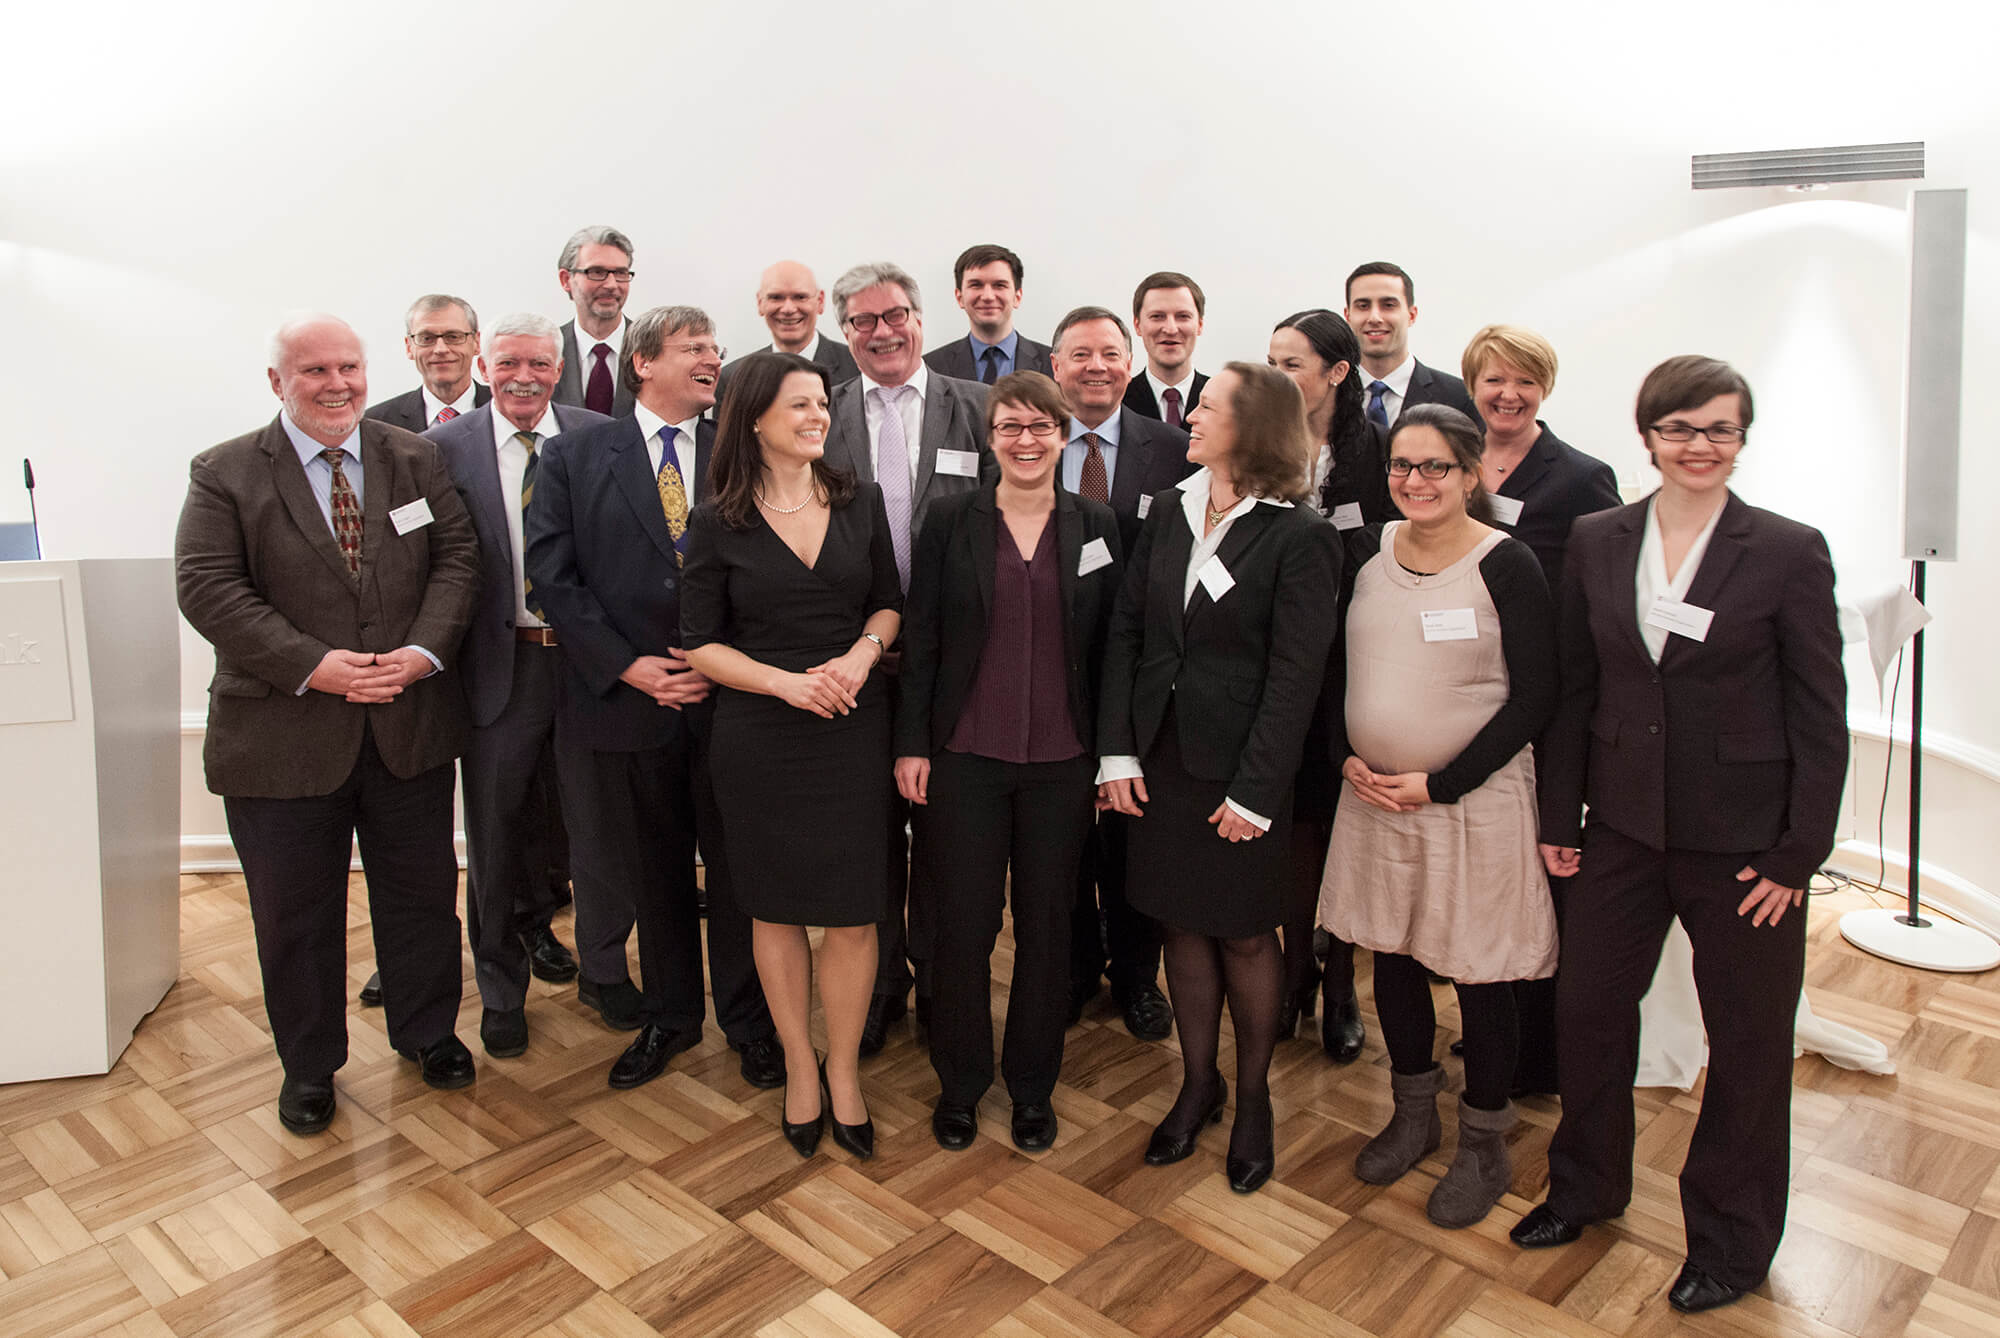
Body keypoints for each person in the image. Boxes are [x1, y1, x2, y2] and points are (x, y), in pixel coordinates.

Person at [1512, 357, 1847, 1316]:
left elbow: (1820, 713)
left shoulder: (1786, 549)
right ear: (1648, 434)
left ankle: (1732, 1242)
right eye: (1680, 428)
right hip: (1621, 827)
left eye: (1719, 429)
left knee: (1746, 1044)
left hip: (1745, 847)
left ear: (1741, 438)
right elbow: (1577, 686)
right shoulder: (1599, 536)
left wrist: (1798, 856)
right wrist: (1561, 815)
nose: (1699, 445)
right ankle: (1584, 1187)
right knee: (1587, 1013)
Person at [175, 314, 480, 1135]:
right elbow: (208, 588)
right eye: (315, 370)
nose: (337, 383)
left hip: (408, 721)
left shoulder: (414, 458)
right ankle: (310, 1066)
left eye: (349, 366)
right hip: (282, 736)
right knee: (295, 916)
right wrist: (315, 665)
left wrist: (422, 653)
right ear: (278, 382)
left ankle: (429, 1032)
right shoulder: (225, 472)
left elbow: (458, 561)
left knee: (422, 897)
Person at [524, 306, 782, 1092]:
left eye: (715, 347)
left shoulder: (744, 451)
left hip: (732, 704)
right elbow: (552, 578)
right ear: (643, 362)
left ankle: (750, 1022)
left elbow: (772, 569)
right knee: (655, 872)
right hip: (629, 704)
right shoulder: (572, 455)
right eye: (694, 347)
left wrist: (731, 663)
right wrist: (630, 667)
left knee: (737, 873)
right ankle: (671, 1017)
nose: (713, 359)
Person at [1098, 362, 1341, 1195]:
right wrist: (1118, 750)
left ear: (1255, 427)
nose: (1191, 417)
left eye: (1208, 407)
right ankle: (1198, 1084)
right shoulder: (1172, 507)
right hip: (1161, 764)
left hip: (1242, 775)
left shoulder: (1300, 535)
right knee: (1180, 926)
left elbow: (1296, 679)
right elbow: (1129, 631)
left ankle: (1255, 1101)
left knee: (1244, 935)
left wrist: (1256, 793)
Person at [1320, 404, 1558, 1228]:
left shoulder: (1507, 564)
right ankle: (1412, 1113)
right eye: (1402, 465)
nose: (1415, 481)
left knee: (1478, 970)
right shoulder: (1367, 550)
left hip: (1470, 804)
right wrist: (1343, 753)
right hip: (1376, 799)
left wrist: (1445, 781)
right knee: (1391, 953)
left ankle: (1484, 1141)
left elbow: (1536, 695)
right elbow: (1338, 668)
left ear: (1472, 474)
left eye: (1435, 467)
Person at [682, 351, 904, 1161]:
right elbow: (699, 642)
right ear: (753, 420)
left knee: (853, 913)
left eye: (820, 404)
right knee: (772, 910)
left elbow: (888, 604)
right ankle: (800, 1069)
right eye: (800, 405)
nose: (818, 417)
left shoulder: (859, 499)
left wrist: (861, 657)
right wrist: (783, 684)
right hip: (761, 737)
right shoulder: (717, 521)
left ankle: (843, 1070)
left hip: (853, 726)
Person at [896, 371, 1123, 1153]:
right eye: (1010, 428)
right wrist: (912, 743)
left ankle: (1032, 1087)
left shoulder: (1097, 524)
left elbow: (1113, 650)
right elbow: (922, 637)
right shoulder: (950, 520)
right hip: (964, 757)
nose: (1026, 441)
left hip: (1064, 762)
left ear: (1063, 436)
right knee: (962, 927)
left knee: (1048, 927)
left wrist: (1111, 757)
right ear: (989, 438)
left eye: (1040, 427)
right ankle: (960, 1084)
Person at [821, 261, 991, 1053]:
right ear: (845, 331)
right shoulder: (820, 414)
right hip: (853, 663)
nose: (882, 332)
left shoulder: (980, 408)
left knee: (948, 839)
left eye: (895, 315)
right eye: (863, 320)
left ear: (921, 319)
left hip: (956, 666)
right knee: (869, 836)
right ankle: (882, 983)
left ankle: (941, 984)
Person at [427, 313, 607, 1057]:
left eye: (538, 363)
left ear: (559, 370)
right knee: (495, 840)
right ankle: (501, 992)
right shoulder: (441, 449)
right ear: (482, 367)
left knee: (598, 831)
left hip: (592, 667)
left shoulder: (602, 437)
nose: (523, 377)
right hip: (500, 670)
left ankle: (605, 974)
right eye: (507, 363)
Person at [1460, 323, 1621, 1093]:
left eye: (1524, 380)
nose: (1508, 394)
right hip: (1467, 690)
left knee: (1542, 873)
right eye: (1494, 379)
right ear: (1472, 386)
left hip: (1545, 701)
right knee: (1489, 873)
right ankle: (1497, 1029)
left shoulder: (1581, 477)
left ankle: (1544, 1054)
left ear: (1544, 388)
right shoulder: (1455, 463)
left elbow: (1603, 593)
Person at [1048, 304, 1191, 1041]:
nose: (1096, 366)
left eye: (1109, 353)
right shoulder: (1027, 442)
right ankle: (1074, 970)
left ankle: (1137, 976)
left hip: (1143, 676)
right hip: (1051, 672)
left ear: (1128, 364)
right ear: (1055, 367)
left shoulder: (1173, 450)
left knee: (1134, 833)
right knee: (1064, 836)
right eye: (1080, 354)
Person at [1265, 308, 1398, 1064]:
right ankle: (1294, 973)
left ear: (1337, 372)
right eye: (1273, 361)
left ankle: (1342, 980)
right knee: (1292, 828)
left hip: (1356, 661)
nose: (1279, 375)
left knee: (1343, 825)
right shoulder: (1266, 442)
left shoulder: (1378, 449)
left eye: (1292, 363)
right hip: (1282, 660)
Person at [1343, 262, 1477, 426]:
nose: (1375, 318)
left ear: (1412, 315)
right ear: (1348, 316)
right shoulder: (1327, 395)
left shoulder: (1460, 398)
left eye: (1388, 305)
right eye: (1363, 306)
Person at [714, 260, 859, 411]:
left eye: (800, 297)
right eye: (776, 297)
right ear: (760, 303)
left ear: (820, 301)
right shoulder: (732, 379)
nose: (788, 309)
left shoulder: (858, 368)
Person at [924, 244, 1054, 382]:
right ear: (959, 297)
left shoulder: (1054, 364)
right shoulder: (930, 368)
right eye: (976, 285)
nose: (988, 296)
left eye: (999, 285)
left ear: (1017, 296)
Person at [365, 294, 491, 433]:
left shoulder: (505, 410)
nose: (440, 349)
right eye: (426, 338)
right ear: (409, 347)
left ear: (476, 342)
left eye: (453, 337)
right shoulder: (376, 424)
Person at [552, 225, 638, 418]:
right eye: (597, 272)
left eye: (621, 273)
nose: (611, 284)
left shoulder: (655, 350)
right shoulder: (545, 352)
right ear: (566, 279)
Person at [1124, 272, 1209, 425]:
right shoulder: (1117, 403)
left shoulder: (1226, 403)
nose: (1171, 329)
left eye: (1183, 316)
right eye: (1157, 316)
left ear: (1200, 325)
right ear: (1137, 325)